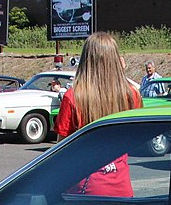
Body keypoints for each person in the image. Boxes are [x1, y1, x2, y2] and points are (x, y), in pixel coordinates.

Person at [55, 32, 143, 196]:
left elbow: (61, 151)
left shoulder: (74, 97)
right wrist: (121, 74)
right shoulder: (131, 95)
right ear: (116, 61)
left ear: (86, 60)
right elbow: (135, 140)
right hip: (121, 188)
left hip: (82, 190)